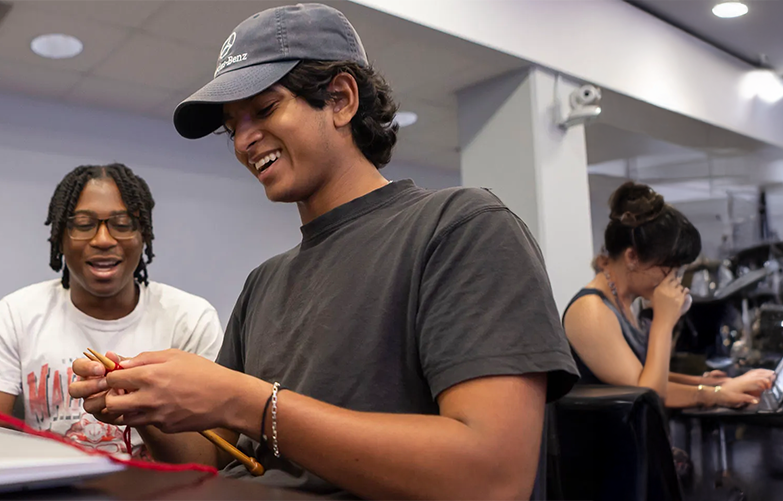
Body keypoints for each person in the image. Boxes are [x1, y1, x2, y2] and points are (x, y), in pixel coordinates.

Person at [69, 4, 578, 499]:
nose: (245, 140)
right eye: (232, 126)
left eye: (265, 109)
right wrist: (146, 406)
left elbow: (491, 477)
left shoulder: (460, 228)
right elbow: (224, 463)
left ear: (340, 99)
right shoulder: (265, 282)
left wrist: (242, 399)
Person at [0, 163, 224, 458]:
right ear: (60, 238)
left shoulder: (190, 319)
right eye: (83, 224)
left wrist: (140, 406)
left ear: (144, 236)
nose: (103, 240)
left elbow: (208, 460)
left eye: (123, 223)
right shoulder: (15, 314)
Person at [563, 181, 774, 409]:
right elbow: (649, 393)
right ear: (632, 257)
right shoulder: (590, 311)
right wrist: (663, 322)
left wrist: (707, 384)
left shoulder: (624, 301)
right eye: (668, 268)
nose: (673, 279)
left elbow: (641, 373)